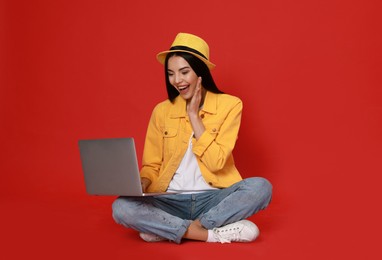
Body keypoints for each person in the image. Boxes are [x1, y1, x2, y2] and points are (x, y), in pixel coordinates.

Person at [112, 32, 272, 244]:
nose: (177, 80)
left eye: (184, 72)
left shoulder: (230, 105)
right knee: (121, 207)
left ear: (200, 72)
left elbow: (216, 162)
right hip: (169, 199)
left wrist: (194, 116)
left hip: (213, 199)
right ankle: (209, 234)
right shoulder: (161, 111)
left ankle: (167, 228)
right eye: (170, 73)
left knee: (261, 187)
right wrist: (142, 182)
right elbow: (151, 165)